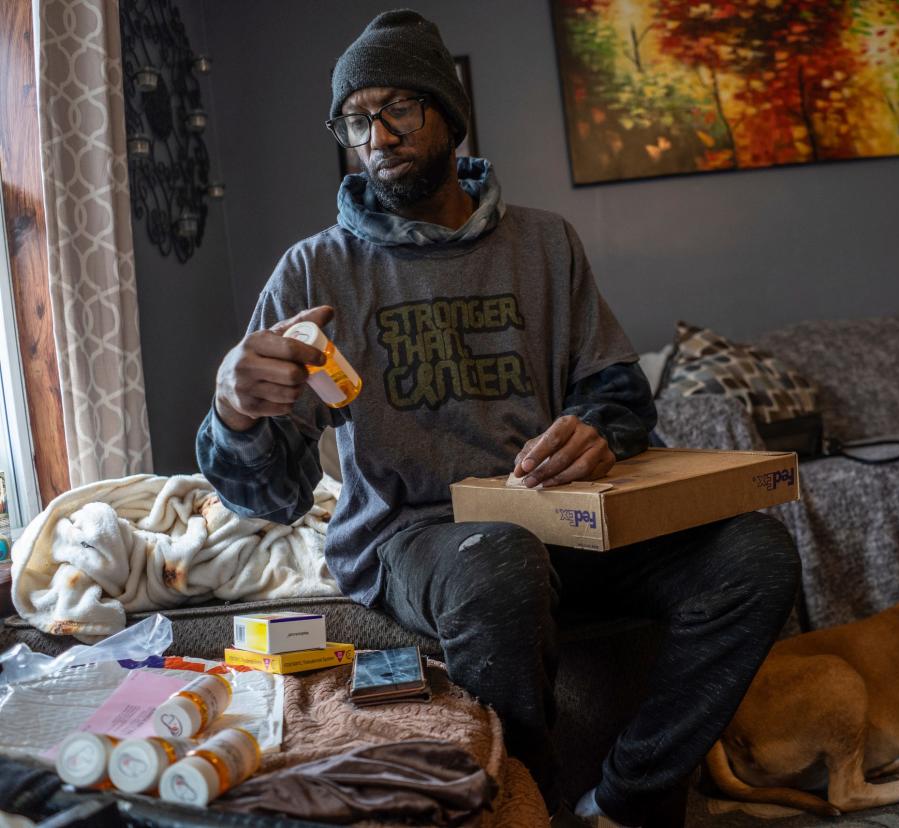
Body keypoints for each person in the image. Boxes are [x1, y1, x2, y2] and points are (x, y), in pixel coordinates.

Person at [197, 10, 800, 827]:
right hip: (417, 538)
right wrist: (234, 413)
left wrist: (597, 431)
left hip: (562, 518)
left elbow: (620, 397)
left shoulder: (546, 245)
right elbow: (266, 498)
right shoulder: (314, 267)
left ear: (450, 113)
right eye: (354, 118)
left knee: (758, 550)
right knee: (500, 561)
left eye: (398, 109)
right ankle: (528, 805)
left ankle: (632, 797)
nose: (375, 135)